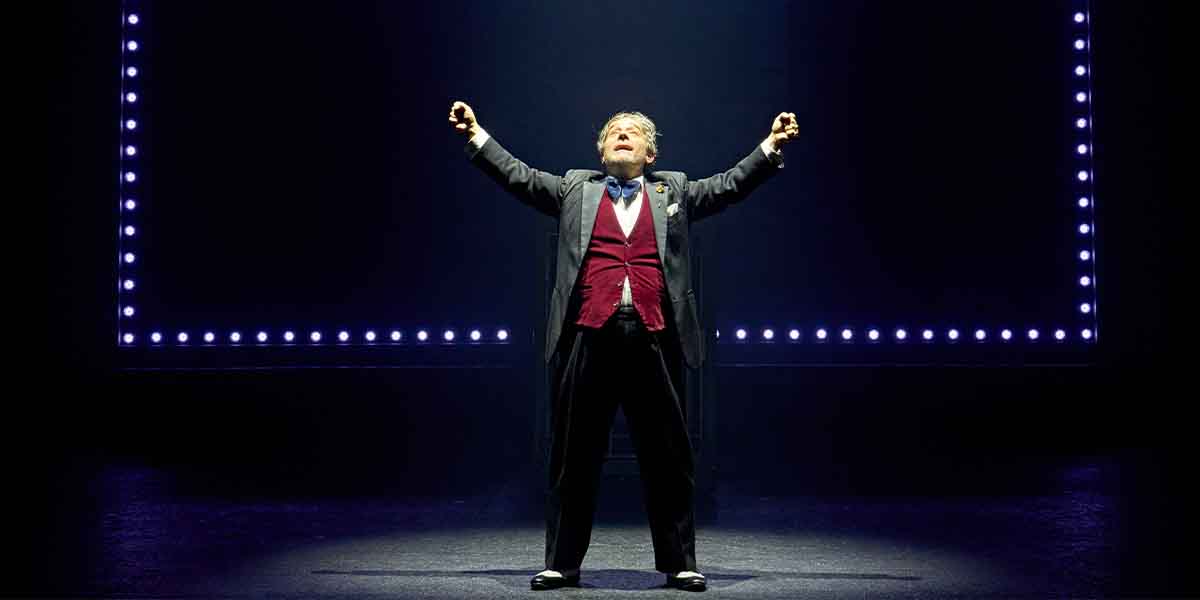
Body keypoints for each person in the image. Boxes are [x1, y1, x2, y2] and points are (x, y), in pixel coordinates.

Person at [449, 101, 797, 591]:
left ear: (650, 152)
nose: (622, 135)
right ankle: (562, 563)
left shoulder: (671, 188)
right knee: (574, 455)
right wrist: (476, 136)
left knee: (668, 456)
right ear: (601, 149)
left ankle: (679, 563)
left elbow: (727, 185)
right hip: (589, 334)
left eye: (633, 132)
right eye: (614, 131)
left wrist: (771, 147)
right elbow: (519, 177)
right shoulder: (576, 187)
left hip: (655, 336)